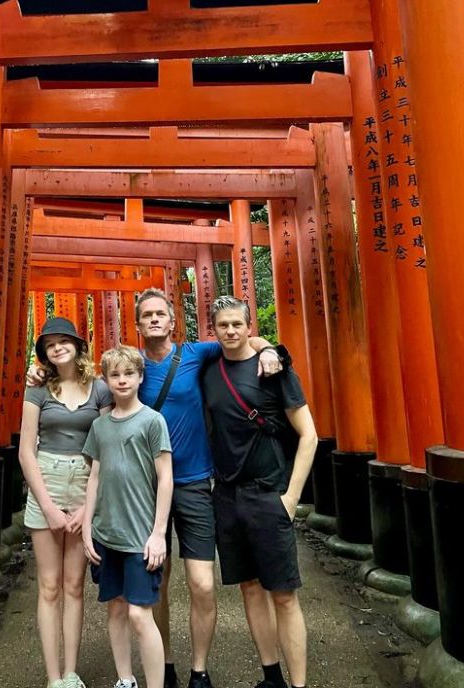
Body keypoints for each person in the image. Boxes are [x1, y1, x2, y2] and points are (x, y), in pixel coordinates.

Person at [134, 288, 282, 688]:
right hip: (146, 488)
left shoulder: (198, 354)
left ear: (171, 320)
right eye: (146, 315)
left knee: (201, 583)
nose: (153, 320)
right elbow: (89, 382)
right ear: (138, 324)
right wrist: (39, 372)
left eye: (159, 314)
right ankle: (163, 667)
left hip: (196, 483)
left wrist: (272, 351)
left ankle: (199, 670)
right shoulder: (132, 365)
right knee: (156, 581)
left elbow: (244, 337)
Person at [202, 296, 318, 688]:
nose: (231, 331)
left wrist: (291, 499)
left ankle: (298, 683)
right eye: (223, 326)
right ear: (213, 330)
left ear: (249, 326)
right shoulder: (209, 370)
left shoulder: (275, 369)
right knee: (250, 588)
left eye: (238, 324)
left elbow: (310, 436)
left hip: (269, 494)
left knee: (283, 594)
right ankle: (272, 677)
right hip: (227, 495)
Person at [19, 317, 113, 688]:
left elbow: (105, 447)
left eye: (64, 341)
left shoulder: (100, 389)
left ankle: (71, 672)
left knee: (75, 585)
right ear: (44, 353)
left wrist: (87, 508)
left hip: (86, 483)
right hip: (47, 481)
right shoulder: (38, 390)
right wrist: (49, 507)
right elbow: (26, 452)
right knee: (49, 585)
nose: (58, 348)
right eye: (50, 344)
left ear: (78, 344)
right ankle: (53, 677)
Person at [82, 345, 173, 688]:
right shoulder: (100, 426)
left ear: (140, 377)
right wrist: (87, 531)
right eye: (115, 375)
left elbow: (165, 477)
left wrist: (159, 533)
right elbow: (94, 478)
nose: (122, 381)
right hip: (106, 532)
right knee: (116, 608)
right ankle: (125, 679)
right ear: (106, 380)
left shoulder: (152, 420)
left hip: (140, 535)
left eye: (128, 374)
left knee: (139, 612)